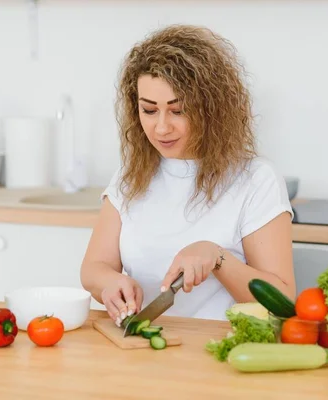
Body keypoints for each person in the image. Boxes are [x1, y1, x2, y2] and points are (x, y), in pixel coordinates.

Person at [80, 24, 295, 327]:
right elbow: (93, 268)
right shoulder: (131, 176)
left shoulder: (256, 179)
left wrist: (218, 258)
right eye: (149, 110)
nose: (162, 127)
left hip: (224, 351)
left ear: (212, 109)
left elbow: (283, 303)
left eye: (178, 110)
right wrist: (109, 283)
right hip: (145, 352)